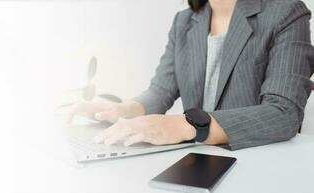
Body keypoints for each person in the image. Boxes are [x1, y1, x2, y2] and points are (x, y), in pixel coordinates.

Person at [68, 0, 314, 150]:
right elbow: (161, 90)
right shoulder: (184, 21)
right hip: (195, 160)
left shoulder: (287, 12)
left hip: (254, 158)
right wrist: (123, 111)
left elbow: (283, 113)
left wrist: (185, 126)